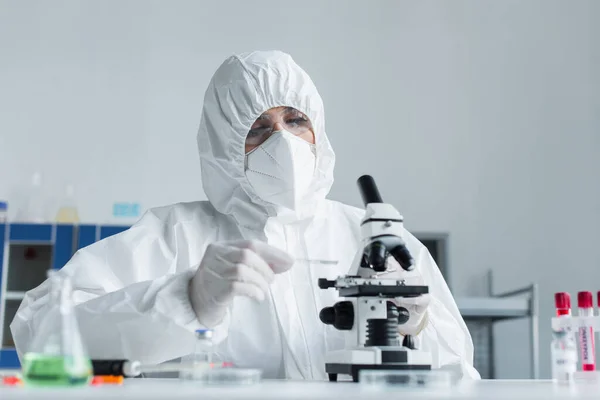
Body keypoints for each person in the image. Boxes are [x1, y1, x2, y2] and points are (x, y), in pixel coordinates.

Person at [11, 50, 479, 380]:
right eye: (259, 129)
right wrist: (183, 299)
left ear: (318, 130)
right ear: (224, 147)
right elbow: (37, 330)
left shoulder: (373, 238)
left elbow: (461, 372)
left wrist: (415, 325)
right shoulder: (175, 236)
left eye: (296, 121)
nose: (285, 144)